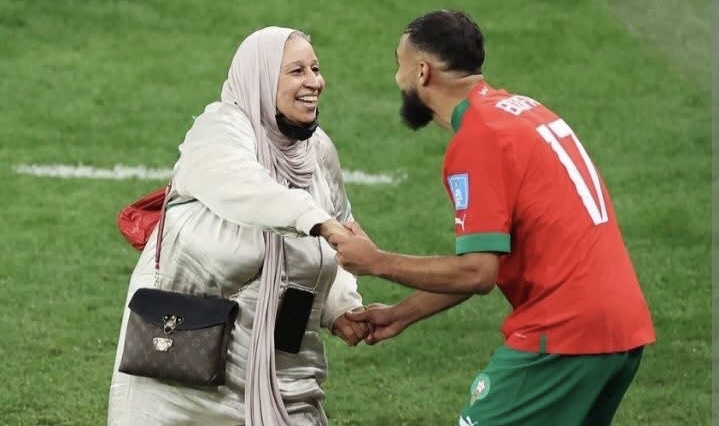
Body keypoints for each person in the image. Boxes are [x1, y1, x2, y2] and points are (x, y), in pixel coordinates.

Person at [331, 10, 656, 426]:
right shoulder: (522, 111)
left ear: (423, 72)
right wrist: (402, 313)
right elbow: (489, 263)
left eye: (400, 65)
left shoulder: (479, 139)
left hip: (563, 333)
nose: (398, 79)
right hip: (619, 328)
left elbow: (477, 273)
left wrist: (377, 262)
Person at [108, 26, 369, 426]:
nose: (315, 82)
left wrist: (341, 307)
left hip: (284, 372)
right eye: (296, 71)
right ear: (260, 78)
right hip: (181, 373)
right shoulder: (217, 131)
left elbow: (340, 237)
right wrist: (315, 220)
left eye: (315, 69)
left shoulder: (316, 152)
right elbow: (246, 187)